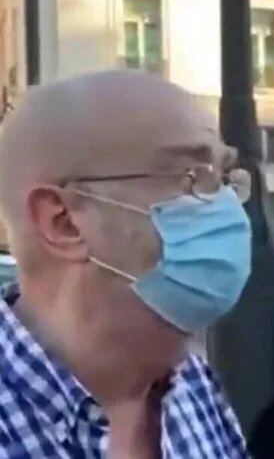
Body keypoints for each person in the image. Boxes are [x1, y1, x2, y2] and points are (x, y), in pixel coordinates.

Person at [0, 70, 250, 457]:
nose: (226, 205)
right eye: (191, 177)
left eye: (224, 176)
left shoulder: (191, 384)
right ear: (63, 222)